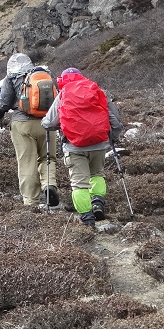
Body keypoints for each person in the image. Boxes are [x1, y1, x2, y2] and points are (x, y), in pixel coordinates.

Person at [41, 68, 123, 227]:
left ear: (63, 80)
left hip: (74, 147)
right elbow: (116, 121)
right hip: (99, 143)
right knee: (97, 174)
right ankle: (98, 203)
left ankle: (87, 219)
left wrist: (62, 125)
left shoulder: (63, 94)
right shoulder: (98, 91)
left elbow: (48, 123)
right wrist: (112, 138)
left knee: (79, 184)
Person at [0, 53, 59, 208]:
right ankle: (49, 185)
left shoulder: (11, 78)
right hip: (48, 124)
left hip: (22, 125)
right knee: (48, 158)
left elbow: (4, 106)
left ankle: (30, 201)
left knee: (27, 163)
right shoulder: (45, 75)